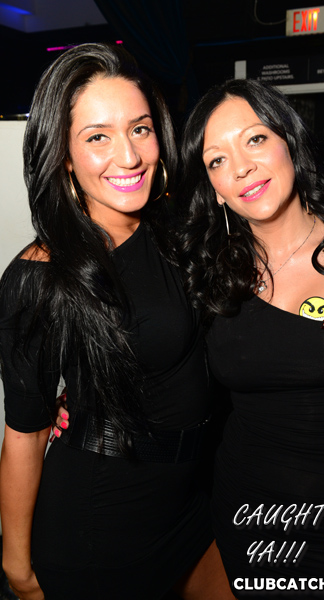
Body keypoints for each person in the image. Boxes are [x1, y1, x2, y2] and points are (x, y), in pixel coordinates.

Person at [0, 43, 234, 600]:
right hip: (102, 525)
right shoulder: (40, 275)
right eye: (97, 137)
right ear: (63, 155)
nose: (128, 156)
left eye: (140, 129)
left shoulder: (177, 231)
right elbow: (25, 434)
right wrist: (16, 565)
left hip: (195, 500)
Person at [178, 79, 324, 596]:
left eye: (255, 139)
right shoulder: (204, 270)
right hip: (254, 514)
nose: (241, 167)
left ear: (289, 141)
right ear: (214, 186)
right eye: (217, 160)